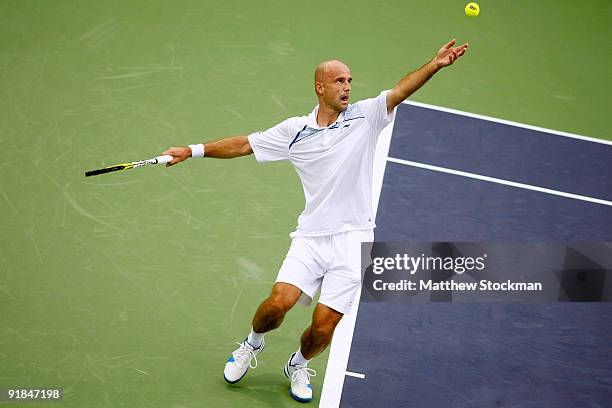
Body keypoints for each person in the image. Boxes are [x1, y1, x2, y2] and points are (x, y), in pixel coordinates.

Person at [162, 39, 468, 403]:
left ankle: (299, 363)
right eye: (339, 81)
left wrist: (434, 65)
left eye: (350, 80)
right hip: (311, 237)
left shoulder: (366, 117)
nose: (347, 87)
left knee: (324, 326)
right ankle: (251, 344)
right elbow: (244, 145)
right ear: (320, 87)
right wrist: (192, 151)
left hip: (354, 240)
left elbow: (401, 90)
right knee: (277, 304)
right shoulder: (295, 130)